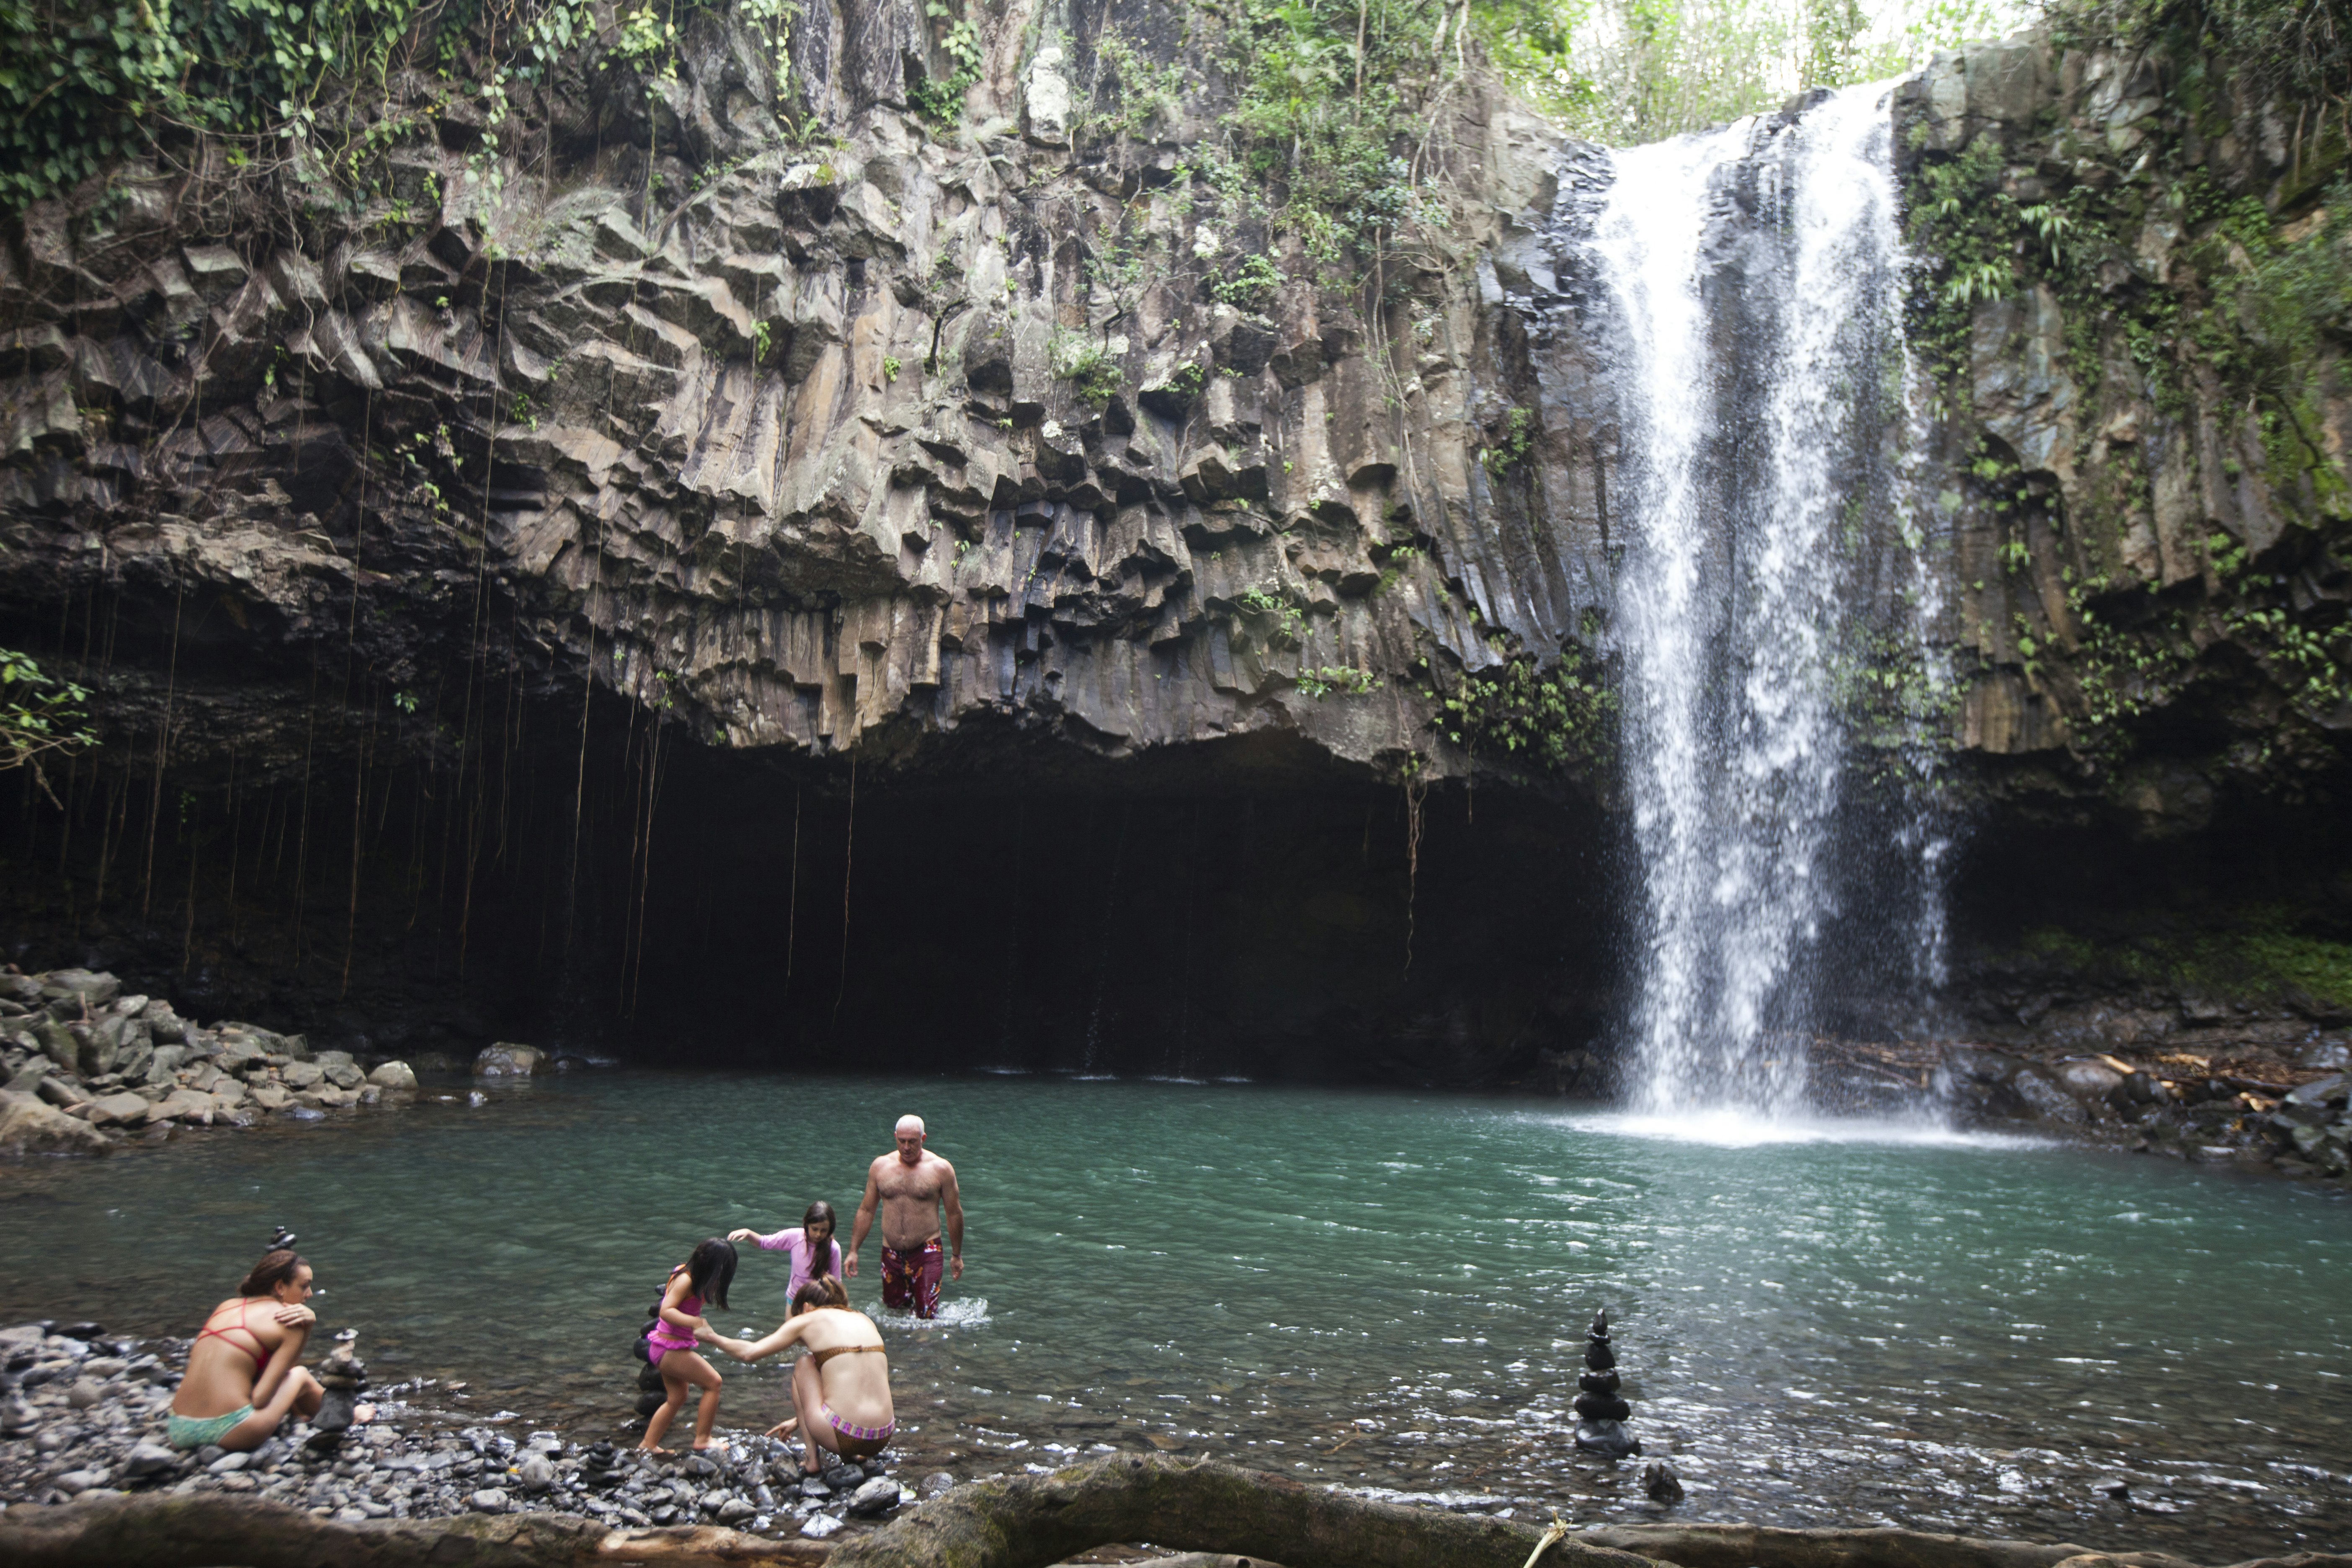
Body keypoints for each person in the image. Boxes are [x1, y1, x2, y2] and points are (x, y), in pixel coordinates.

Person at [699, 1275, 893, 1473]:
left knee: (805, 1363)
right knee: (827, 1366)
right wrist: (797, 1421)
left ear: (806, 1308)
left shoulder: (808, 1319)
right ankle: (849, 1456)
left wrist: (713, 1337)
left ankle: (812, 1460)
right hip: (882, 1437)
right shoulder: (863, 1319)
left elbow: (750, 1353)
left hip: (843, 1435)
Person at [167, 1249, 326, 1452]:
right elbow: (260, 1399)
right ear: (280, 1287)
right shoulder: (289, 1320)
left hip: (179, 1429)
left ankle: (301, 1414)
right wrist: (308, 1325)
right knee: (301, 1375)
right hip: (231, 1429)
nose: (310, 1294)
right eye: (304, 1286)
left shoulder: (226, 1306)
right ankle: (350, 1415)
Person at [846, 1114, 963, 1320]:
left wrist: (956, 1255)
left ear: (923, 1139)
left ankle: (927, 1350)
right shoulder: (880, 1167)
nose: (906, 1147)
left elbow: (954, 1213)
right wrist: (854, 1250)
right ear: (895, 1137)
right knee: (893, 1314)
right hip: (891, 1252)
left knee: (926, 1316)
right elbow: (866, 1210)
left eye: (912, 1142)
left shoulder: (941, 1169)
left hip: (928, 1250)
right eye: (902, 1141)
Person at [640, 1237, 737, 1453]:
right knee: (714, 1383)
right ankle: (703, 1439)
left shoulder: (693, 1275)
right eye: (721, 1270)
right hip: (669, 1349)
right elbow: (666, 1310)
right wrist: (696, 1323)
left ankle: (648, 1444)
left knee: (677, 1398)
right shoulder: (686, 1280)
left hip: (669, 1348)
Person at [727, 1200, 843, 1301]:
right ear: (807, 1224)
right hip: (795, 1299)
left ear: (830, 1229)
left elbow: (836, 1283)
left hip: (819, 1304)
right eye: (815, 1229)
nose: (818, 1234)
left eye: (824, 1231)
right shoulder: (795, 1237)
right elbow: (765, 1242)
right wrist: (748, 1234)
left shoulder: (834, 1249)